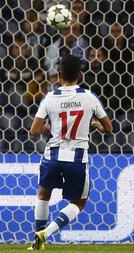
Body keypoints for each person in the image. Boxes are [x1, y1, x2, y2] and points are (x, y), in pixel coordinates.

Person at [27, 54, 113, 250]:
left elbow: (33, 130)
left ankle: (36, 239)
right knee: (79, 202)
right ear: (80, 76)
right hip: (77, 158)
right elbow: (109, 127)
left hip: (52, 156)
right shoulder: (89, 97)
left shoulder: (50, 97)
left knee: (43, 194)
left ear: (59, 75)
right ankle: (46, 233)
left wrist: (48, 127)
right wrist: (96, 125)